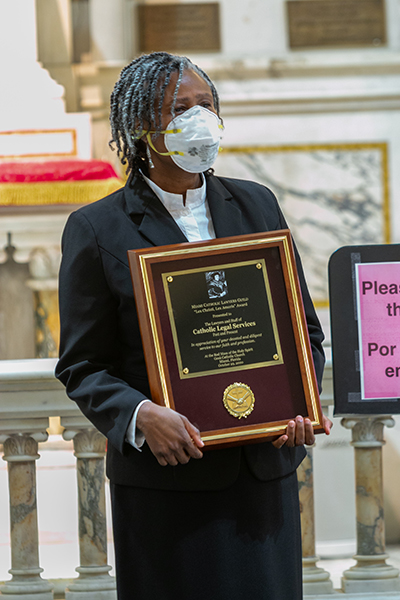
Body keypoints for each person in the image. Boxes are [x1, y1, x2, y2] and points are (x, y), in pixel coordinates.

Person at [56, 51, 331, 600]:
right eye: (179, 109)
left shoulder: (256, 204)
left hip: (262, 477)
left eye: (206, 105)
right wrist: (141, 416)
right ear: (141, 130)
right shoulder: (96, 228)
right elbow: (83, 365)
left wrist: (300, 400)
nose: (197, 119)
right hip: (168, 484)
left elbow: (304, 330)